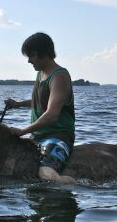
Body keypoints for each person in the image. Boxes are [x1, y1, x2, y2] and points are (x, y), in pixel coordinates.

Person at [5, 32, 77, 184]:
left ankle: (79, 187)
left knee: (46, 175)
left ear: (44, 54)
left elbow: (52, 114)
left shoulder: (59, 77)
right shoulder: (41, 74)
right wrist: (17, 104)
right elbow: (41, 102)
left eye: (31, 56)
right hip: (37, 137)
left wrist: (23, 131)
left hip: (58, 136)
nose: (29, 61)